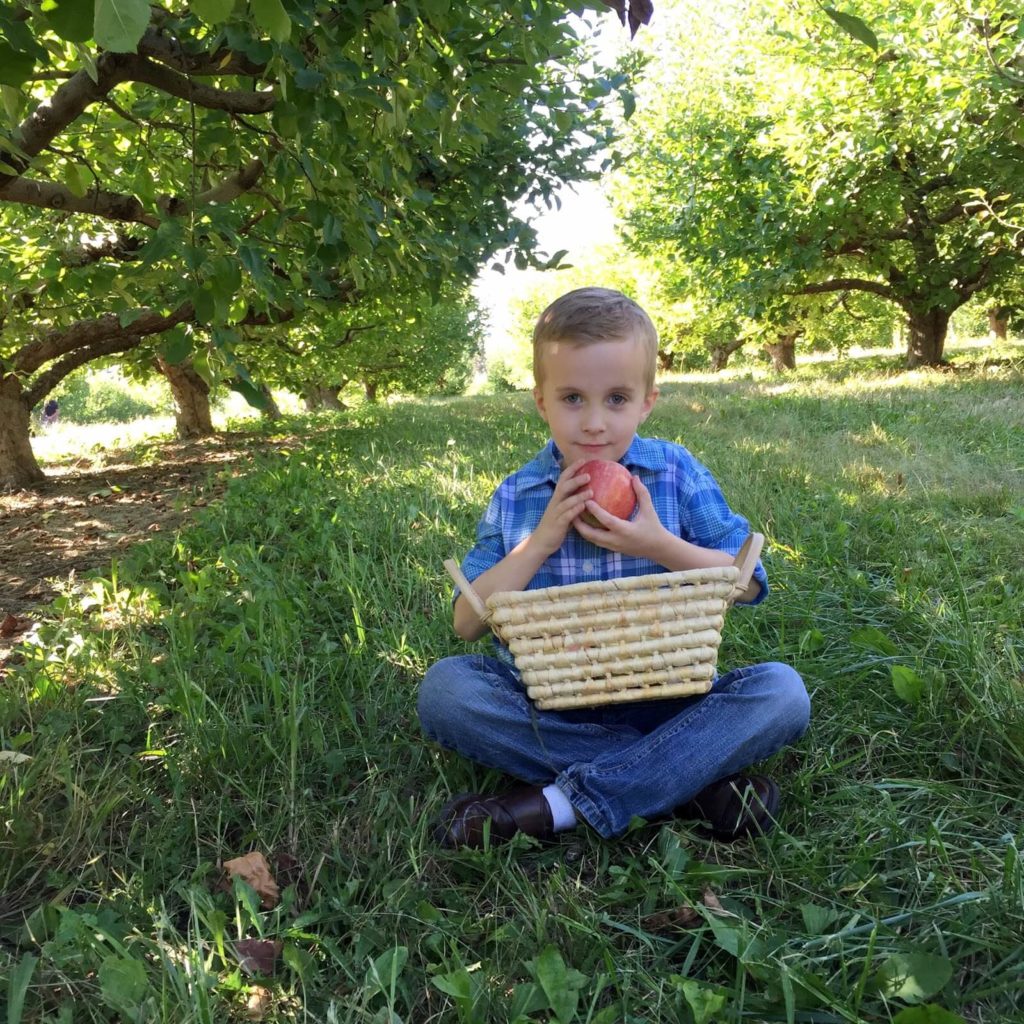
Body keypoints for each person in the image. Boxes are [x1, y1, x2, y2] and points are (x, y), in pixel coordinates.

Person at [418, 287, 810, 849]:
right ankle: (691, 780)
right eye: (573, 398)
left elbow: (746, 580)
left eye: (617, 399)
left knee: (782, 693)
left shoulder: (674, 472)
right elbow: (466, 622)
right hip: (550, 707)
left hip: (669, 699)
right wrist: (541, 540)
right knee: (446, 691)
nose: (595, 423)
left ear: (648, 400)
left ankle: (553, 805)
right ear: (541, 402)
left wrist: (658, 544)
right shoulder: (519, 495)